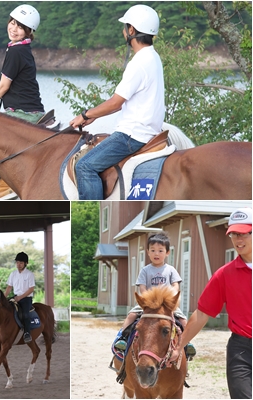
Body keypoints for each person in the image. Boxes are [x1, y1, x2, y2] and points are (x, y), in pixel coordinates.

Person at [69, 4, 164, 200]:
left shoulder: (138, 63)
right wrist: (93, 116)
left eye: (125, 27)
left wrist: (85, 115)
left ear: (131, 30)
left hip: (132, 135)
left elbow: (116, 103)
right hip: (150, 131)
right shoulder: (153, 57)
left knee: (84, 166)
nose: (124, 31)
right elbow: (122, 102)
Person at [170, 208, 252, 399]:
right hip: (242, 351)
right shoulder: (224, 275)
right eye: (233, 234)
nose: (238, 240)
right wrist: (179, 346)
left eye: (243, 234)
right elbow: (202, 313)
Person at [0, 4, 45, 200]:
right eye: (12, 23)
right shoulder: (21, 49)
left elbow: (4, 87)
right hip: (28, 108)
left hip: (24, 112)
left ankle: (0, 182)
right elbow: (9, 85)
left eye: (20, 27)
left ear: (29, 32)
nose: (13, 28)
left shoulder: (15, 52)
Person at [113, 232, 194, 357]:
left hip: (166, 304)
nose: (156, 253)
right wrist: (147, 300)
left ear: (167, 252)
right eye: (153, 250)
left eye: (160, 250)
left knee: (183, 319)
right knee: (132, 315)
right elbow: (142, 287)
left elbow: (175, 285)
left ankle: (187, 343)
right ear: (148, 252)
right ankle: (122, 338)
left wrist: (171, 296)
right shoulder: (145, 270)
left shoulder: (170, 270)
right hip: (148, 304)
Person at [4, 251, 35, 343]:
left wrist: (20, 297)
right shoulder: (13, 274)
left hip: (26, 298)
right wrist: (4, 297)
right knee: (3, 310)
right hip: (15, 297)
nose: (19, 264)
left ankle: (27, 333)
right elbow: (9, 287)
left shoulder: (29, 274)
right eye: (17, 262)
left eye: (21, 262)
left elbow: (31, 289)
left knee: (25, 314)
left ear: (26, 263)